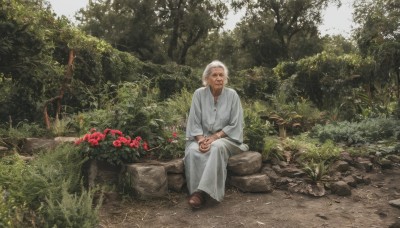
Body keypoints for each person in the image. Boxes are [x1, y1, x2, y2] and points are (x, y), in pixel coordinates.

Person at [184, 60, 249, 209]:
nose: (219, 78)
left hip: (227, 139)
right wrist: (200, 140)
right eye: (215, 75)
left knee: (216, 148)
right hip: (203, 136)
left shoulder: (232, 95)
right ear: (207, 78)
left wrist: (214, 137)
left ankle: (201, 193)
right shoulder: (199, 94)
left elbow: (235, 124)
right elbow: (194, 121)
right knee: (193, 150)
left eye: (221, 75)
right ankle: (196, 191)